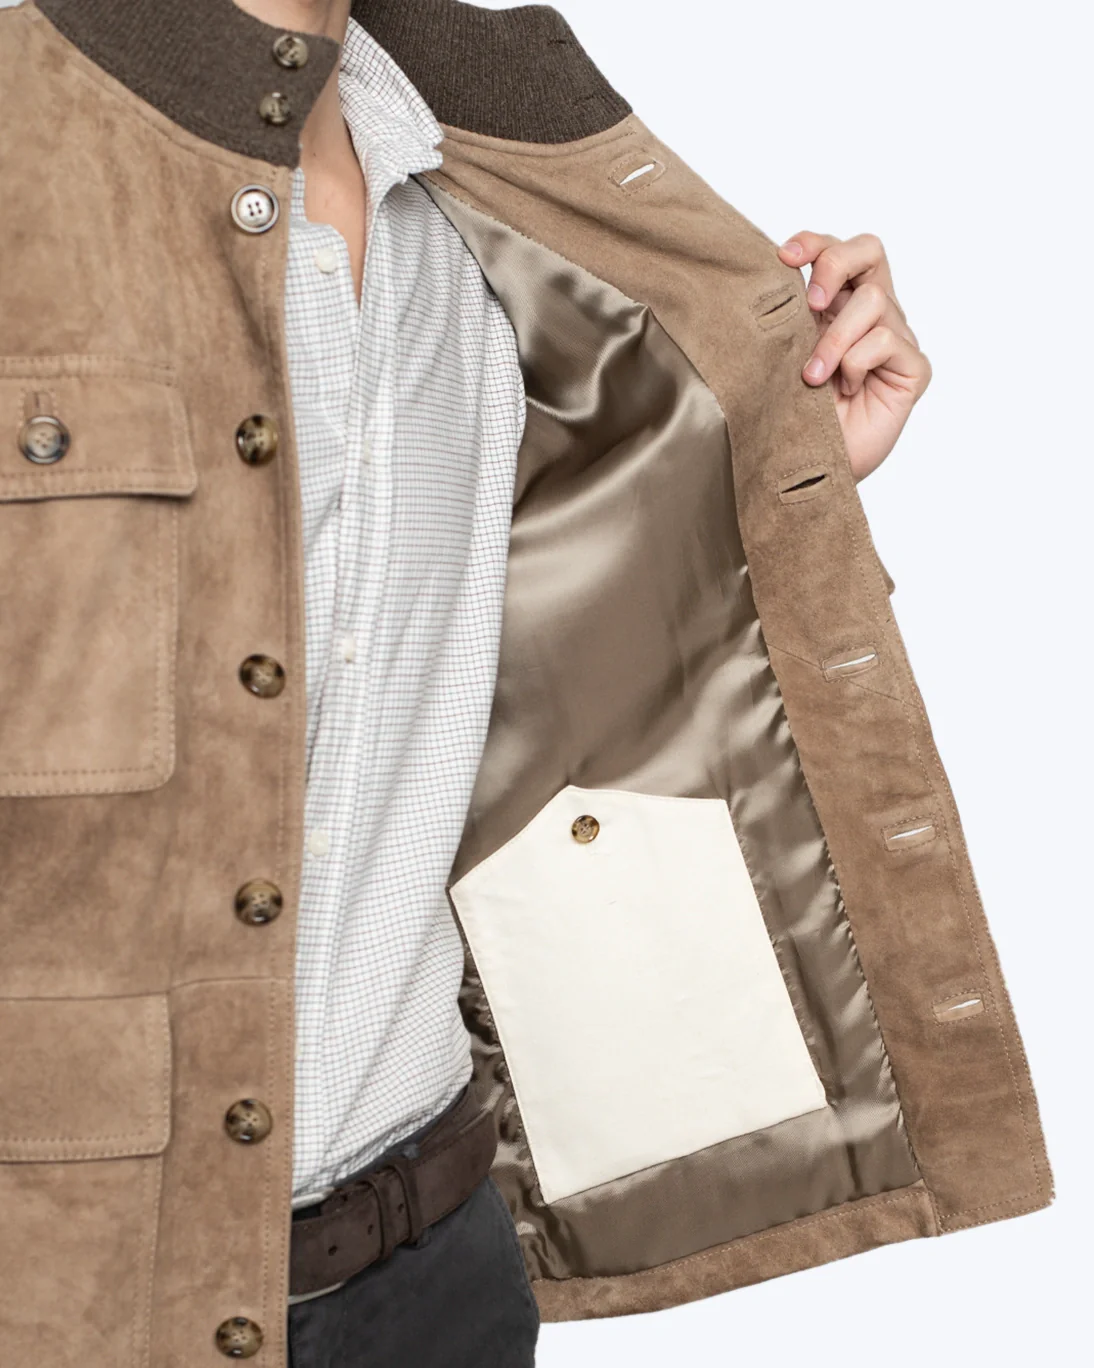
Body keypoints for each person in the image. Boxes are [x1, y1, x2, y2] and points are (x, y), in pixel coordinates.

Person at [0, 2, 1050, 1367]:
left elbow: (506, 670)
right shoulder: (29, 134)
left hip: (435, 1277)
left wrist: (751, 470)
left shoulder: (493, 175)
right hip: (64, 1287)